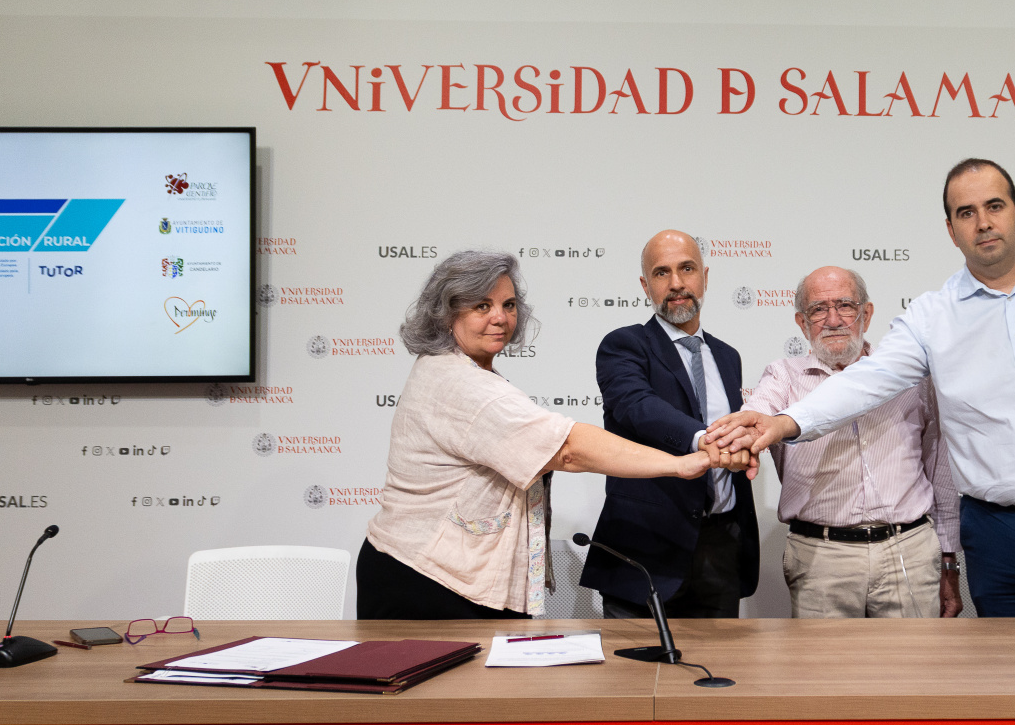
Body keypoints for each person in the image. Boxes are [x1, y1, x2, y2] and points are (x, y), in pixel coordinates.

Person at [709, 159, 1015, 617]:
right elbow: (866, 380)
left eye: (994, 206)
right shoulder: (932, 316)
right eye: (966, 213)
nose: (983, 222)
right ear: (951, 230)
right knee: (1010, 680)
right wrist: (784, 422)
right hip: (999, 533)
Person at [358, 249, 753, 620]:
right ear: (445, 315)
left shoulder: (464, 373)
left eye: (508, 305)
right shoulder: (458, 382)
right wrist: (685, 462)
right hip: (426, 578)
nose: (499, 317)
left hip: (445, 574)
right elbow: (566, 448)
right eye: (481, 305)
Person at [743, 265, 963, 619]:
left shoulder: (910, 375)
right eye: (818, 309)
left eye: (845, 305)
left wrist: (949, 557)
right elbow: (755, 415)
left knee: (913, 671)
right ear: (802, 322)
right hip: (822, 557)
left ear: (867, 313)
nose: (833, 320)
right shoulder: (782, 376)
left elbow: (941, 467)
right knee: (825, 674)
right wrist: (734, 435)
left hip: (908, 549)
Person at [578, 230, 760, 619]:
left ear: (705, 277)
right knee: (635, 679)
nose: (676, 284)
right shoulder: (624, 345)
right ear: (645, 285)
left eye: (687, 269)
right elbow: (635, 406)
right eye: (662, 273)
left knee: (720, 673)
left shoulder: (728, 356)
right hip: (647, 547)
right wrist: (703, 441)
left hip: (720, 548)